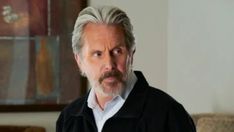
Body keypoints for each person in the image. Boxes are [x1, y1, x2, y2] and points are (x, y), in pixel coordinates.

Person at [56, 5, 196, 132]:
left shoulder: (168, 114)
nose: (109, 64)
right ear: (79, 60)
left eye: (117, 51)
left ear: (131, 53)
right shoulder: (68, 118)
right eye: (98, 54)